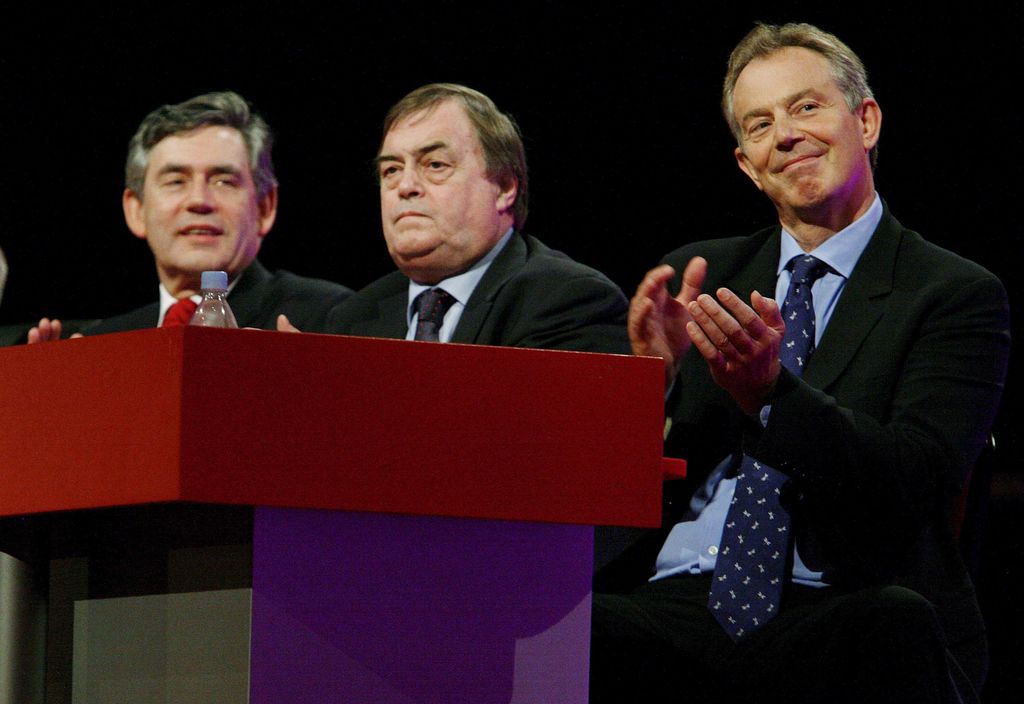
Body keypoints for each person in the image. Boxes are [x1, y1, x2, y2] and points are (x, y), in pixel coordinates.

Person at [592, 22, 1009, 703]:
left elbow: (918, 481)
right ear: (747, 166)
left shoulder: (952, 294)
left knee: (892, 627)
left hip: (840, 599)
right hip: (669, 601)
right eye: (759, 125)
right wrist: (649, 385)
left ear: (866, 121)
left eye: (806, 107)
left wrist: (771, 396)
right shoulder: (699, 277)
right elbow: (605, 492)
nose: (785, 134)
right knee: (537, 625)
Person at [291, 83, 628, 353]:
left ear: (504, 186)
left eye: (435, 165)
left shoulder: (567, 301)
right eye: (391, 170)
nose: (405, 186)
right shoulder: (352, 319)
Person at [29, 91, 350, 342]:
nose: (199, 201)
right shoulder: (101, 342)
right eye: (176, 181)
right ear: (135, 210)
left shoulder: (328, 318)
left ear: (265, 207)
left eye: (223, 181)